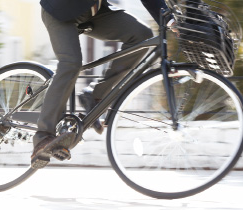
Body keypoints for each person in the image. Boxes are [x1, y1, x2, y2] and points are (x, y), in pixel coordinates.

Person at [31, 0, 176, 169]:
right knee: (71, 63)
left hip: (94, 10)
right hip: (60, 10)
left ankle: (94, 95)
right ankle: (43, 136)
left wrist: (170, 19)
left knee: (141, 35)